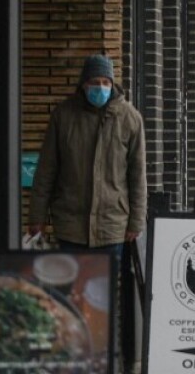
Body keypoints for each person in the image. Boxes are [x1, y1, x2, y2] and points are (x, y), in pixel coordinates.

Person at [28, 53, 146, 250]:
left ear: (112, 84)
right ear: (84, 84)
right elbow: (46, 171)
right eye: (94, 82)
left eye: (105, 82)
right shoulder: (63, 116)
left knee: (108, 280)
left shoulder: (130, 119)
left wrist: (137, 221)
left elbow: (137, 175)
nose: (100, 87)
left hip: (112, 226)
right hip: (70, 227)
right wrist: (36, 217)